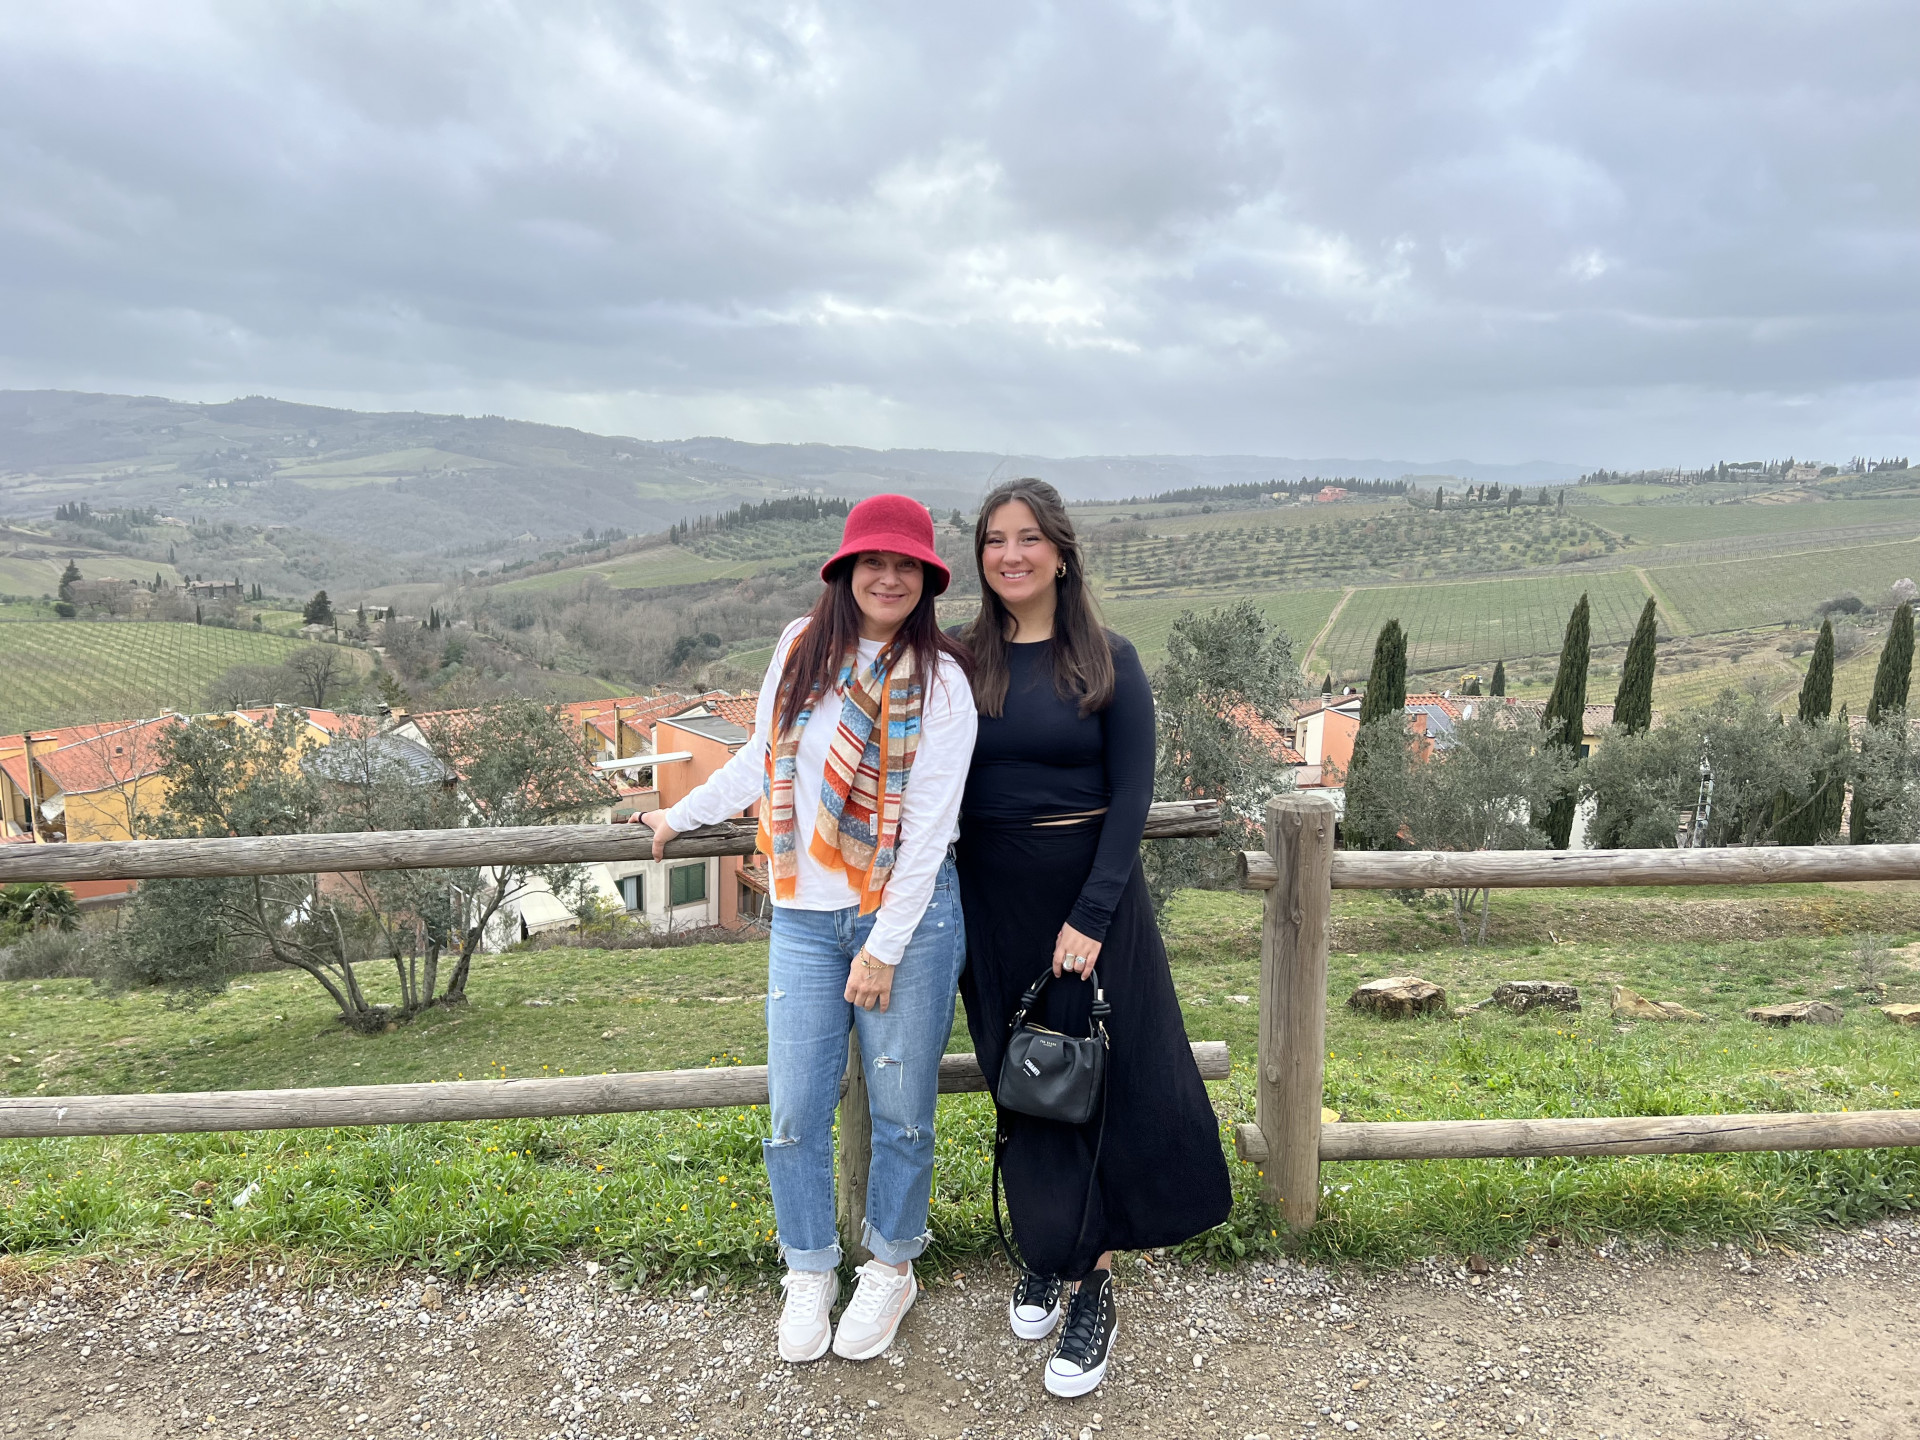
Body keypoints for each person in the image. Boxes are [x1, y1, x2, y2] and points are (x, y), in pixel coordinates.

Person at [637, 494, 975, 1365]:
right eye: (874, 562)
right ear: (845, 570)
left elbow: (929, 832)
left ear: (928, 580)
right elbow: (762, 758)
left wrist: (883, 948)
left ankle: (892, 1266)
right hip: (801, 911)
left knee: (901, 1110)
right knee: (793, 1109)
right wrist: (680, 814)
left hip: (906, 918)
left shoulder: (944, 683)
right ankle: (809, 1269)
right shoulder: (800, 647)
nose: (889, 578)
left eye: (906, 566)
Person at [952, 478, 1231, 1399]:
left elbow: (1132, 794)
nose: (1011, 555)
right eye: (996, 539)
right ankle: (1048, 1248)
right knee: (1025, 1084)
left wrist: (1093, 916)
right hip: (991, 906)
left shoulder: (1108, 660)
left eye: (1029, 538)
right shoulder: (961, 661)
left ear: (1062, 553)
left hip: (1086, 912)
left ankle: (1094, 1283)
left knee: (1089, 1085)